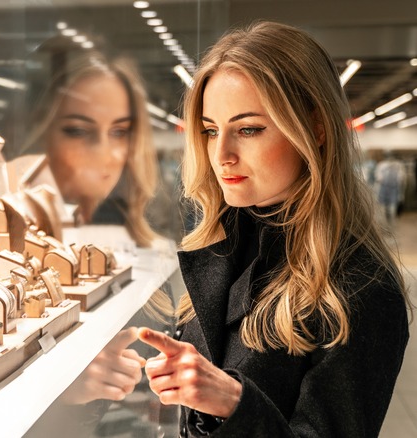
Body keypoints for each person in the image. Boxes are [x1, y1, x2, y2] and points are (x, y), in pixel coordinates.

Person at [137, 21, 411, 437]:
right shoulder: (222, 246)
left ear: (316, 130)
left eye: (248, 129)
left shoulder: (360, 286)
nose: (221, 154)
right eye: (211, 131)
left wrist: (234, 403)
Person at [21, 49, 159, 247]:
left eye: (120, 132)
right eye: (77, 131)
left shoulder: (127, 233)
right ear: (43, 133)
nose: (104, 155)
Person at [374, 151, 407, 225]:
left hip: (394, 190)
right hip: (383, 190)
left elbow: (402, 180)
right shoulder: (381, 165)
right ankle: (385, 226)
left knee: (392, 210)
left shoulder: (399, 166)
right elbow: (378, 179)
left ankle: (391, 225)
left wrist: (401, 195)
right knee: (382, 210)